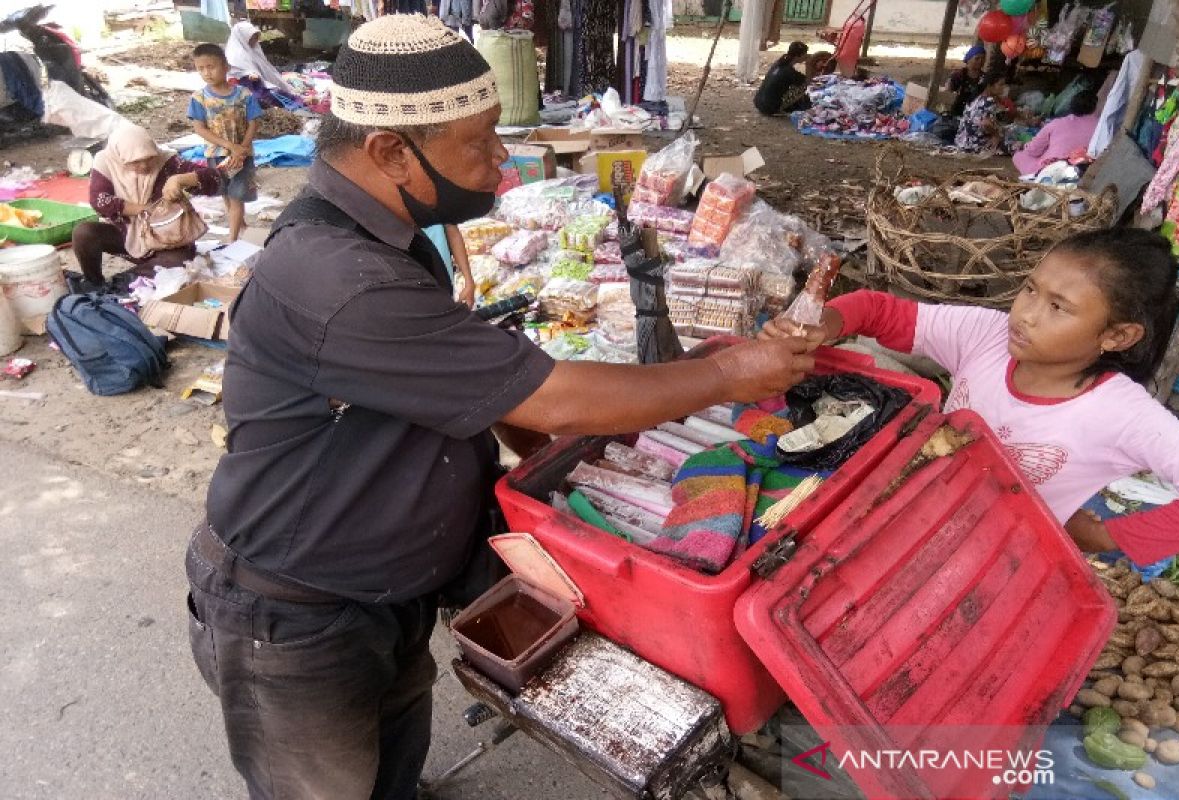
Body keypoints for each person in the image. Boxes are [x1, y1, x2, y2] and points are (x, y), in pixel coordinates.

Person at [185, 15, 819, 800]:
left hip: (385, 591)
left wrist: (547, 469)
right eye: (480, 140)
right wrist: (728, 377)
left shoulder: (382, 235)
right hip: (297, 613)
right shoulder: (340, 279)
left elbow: (465, 389)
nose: (498, 160)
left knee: (392, 750)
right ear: (390, 151)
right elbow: (552, 393)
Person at [762, 229, 1179, 564]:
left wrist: (1107, 539)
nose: (1025, 315)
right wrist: (827, 324)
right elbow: (881, 311)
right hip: (917, 518)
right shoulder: (985, 336)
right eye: (1031, 289)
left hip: (1002, 562)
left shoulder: (1121, 412)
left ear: (1117, 335)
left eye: (1058, 307)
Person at [70, 123, 221, 293]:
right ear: (120, 157)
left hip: (167, 239)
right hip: (127, 234)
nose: (144, 166)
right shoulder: (106, 161)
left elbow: (215, 178)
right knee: (84, 233)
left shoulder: (166, 160)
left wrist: (181, 179)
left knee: (178, 262)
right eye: (135, 162)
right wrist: (144, 209)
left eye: (148, 158)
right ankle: (94, 282)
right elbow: (99, 201)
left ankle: (122, 281)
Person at [189, 43, 262, 243]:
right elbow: (200, 128)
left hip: (242, 156)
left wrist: (242, 149)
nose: (207, 72)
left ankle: (232, 238)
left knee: (237, 194)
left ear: (226, 66)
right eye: (201, 68)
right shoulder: (199, 98)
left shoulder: (243, 94)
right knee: (226, 194)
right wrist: (231, 147)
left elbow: (253, 122)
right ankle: (240, 225)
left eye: (211, 66)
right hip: (216, 155)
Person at [1012, 91, 1101, 175]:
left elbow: (1033, 150)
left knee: (1019, 156)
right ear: (1095, 107)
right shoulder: (1101, 127)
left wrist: (1025, 145)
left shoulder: (1056, 123)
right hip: (1082, 168)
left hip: (1051, 169)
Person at [224, 20, 303, 111]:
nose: (254, 41)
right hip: (245, 87)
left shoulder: (251, 49)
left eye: (255, 38)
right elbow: (236, 74)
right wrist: (249, 75)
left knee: (280, 92)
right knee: (273, 96)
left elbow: (265, 68)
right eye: (252, 38)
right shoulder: (235, 54)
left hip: (256, 83)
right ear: (243, 37)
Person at [955, 70, 1008, 153]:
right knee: (1015, 144)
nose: (1003, 87)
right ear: (990, 86)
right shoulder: (989, 101)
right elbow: (985, 123)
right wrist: (996, 136)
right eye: (1000, 84)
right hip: (976, 145)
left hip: (962, 142)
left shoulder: (976, 98)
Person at [754, 42, 811, 116]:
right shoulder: (790, 72)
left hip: (759, 103)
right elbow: (808, 81)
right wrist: (809, 65)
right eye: (805, 54)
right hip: (769, 108)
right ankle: (779, 108)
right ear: (800, 56)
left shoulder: (779, 63)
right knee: (804, 86)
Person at [947, 44, 988, 118]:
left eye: (983, 59)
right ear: (969, 59)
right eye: (977, 58)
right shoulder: (958, 75)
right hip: (956, 112)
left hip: (976, 115)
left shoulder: (985, 78)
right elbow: (948, 92)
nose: (980, 61)